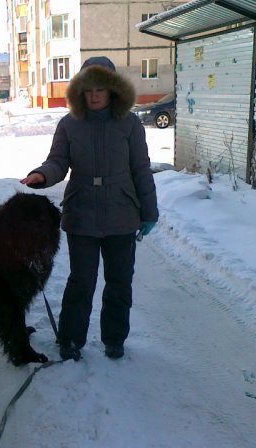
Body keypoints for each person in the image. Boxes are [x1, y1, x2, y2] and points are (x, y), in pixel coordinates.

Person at [20, 56, 159, 361]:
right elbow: (57, 161)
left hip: (122, 214)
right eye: (88, 89)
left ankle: (114, 338)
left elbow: (141, 169)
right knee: (81, 281)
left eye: (101, 88)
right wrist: (42, 175)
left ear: (112, 90)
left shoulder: (130, 124)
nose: (94, 95)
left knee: (119, 281)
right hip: (82, 213)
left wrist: (149, 212)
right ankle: (70, 339)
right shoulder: (70, 125)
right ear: (80, 92)